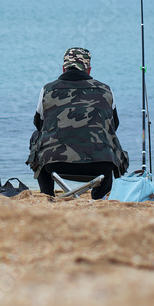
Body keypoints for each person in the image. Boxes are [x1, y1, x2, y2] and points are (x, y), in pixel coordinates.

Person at [27, 47, 129, 199]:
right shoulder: (106, 90)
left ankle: (47, 195)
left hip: (55, 163)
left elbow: (39, 125)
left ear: (63, 68)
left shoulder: (47, 89)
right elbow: (114, 126)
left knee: (36, 136)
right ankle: (99, 197)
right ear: (88, 70)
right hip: (101, 164)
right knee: (109, 140)